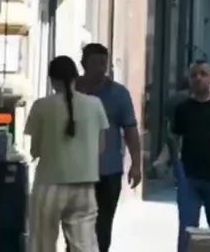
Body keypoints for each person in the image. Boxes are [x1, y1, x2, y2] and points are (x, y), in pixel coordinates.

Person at [25, 55, 110, 252]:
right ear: (75, 78)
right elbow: (101, 147)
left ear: (52, 80)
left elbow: (34, 150)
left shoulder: (41, 106)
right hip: (85, 185)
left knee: (42, 244)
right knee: (85, 246)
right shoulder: (95, 104)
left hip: (49, 184)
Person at [77, 43, 142, 252]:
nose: (99, 68)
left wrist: (136, 164)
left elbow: (130, 130)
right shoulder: (72, 90)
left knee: (103, 226)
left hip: (108, 171)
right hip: (75, 170)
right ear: (83, 64)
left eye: (102, 63)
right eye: (94, 63)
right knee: (75, 226)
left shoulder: (119, 94)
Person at [172, 61, 210, 252]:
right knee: (187, 229)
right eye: (194, 75)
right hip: (189, 178)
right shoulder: (182, 109)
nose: (198, 78)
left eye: (203, 74)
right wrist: (168, 161)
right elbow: (175, 138)